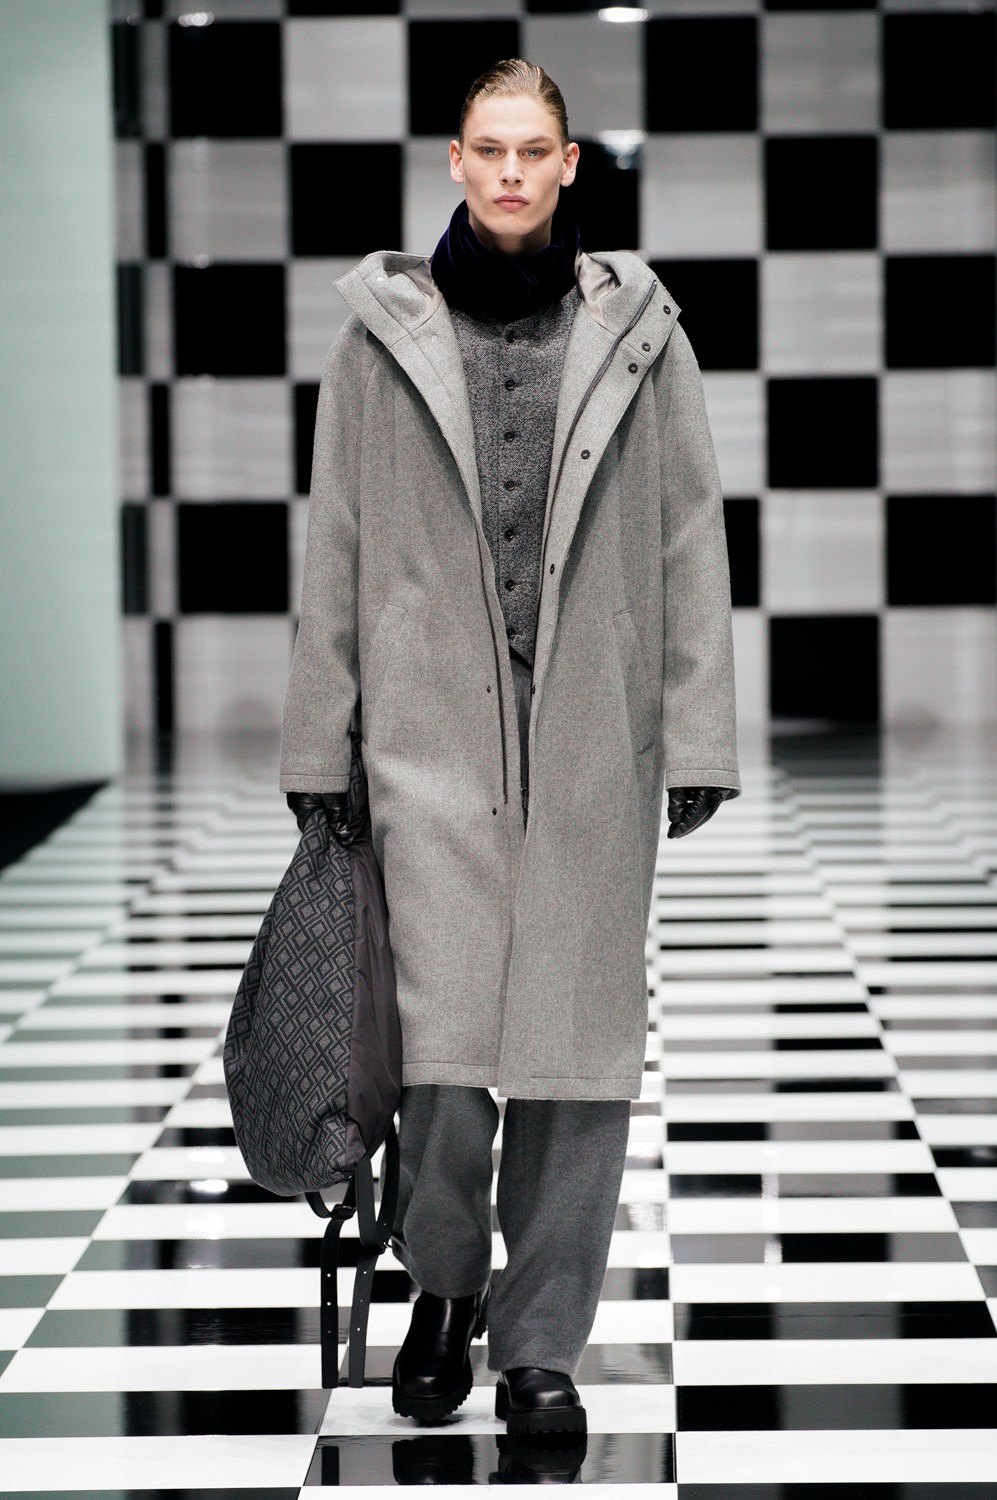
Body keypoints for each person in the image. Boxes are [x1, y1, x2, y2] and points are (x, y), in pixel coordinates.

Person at [281, 58, 741, 1439]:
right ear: (455, 160)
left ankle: (539, 1345)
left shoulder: (639, 332)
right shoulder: (381, 336)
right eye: (490, 149)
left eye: (534, 150)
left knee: (574, 1054)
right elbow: (335, 544)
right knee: (439, 1050)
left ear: (568, 165)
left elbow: (689, 537)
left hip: (592, 730)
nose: (511, 174)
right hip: (426, 737)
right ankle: (443, 1286)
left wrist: (699, 730)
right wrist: (319, 742)